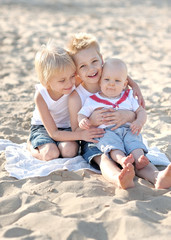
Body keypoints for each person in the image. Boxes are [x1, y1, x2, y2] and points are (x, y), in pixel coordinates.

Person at [67, 32, 171, 189]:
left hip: (124, 132)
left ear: (102, 60)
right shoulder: (76, 96)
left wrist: (129, 114)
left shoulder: (115, 81)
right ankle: (118, 178)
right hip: (96, 138)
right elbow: (76, 129)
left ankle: (157, 178)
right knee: (104, 159)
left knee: (138, 157)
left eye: (94, 61)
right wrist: (92, 121)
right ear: (77, 72)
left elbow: (134, 104)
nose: (91, 69)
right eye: (83, 66)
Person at [27, 39, 104, 161]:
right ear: (47, 82)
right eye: (62, 80)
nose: (69, 83)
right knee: (50, 154)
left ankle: (56, 146)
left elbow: (106, 70)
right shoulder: (41, 95)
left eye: (72, 76)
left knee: (69, 152)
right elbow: (53, 133)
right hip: (43, 128)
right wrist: (81, 135)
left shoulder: (75, 81)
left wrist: (133, 84)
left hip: (67, 127)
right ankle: (31, 146)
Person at [78, 58, 149, 170]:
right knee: (111, 144)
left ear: (125, 83)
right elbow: (82, 114)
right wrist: (83, 120)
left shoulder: (128, 96)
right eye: (107, 79)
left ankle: (139, 159)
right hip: (106, 131)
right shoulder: (93, 100)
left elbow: (141, 111)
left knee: (134, 140)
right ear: (100, 81)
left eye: (117, 81)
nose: (111, 84)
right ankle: (122, 160)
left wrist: (139, 121)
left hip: (128, 129)